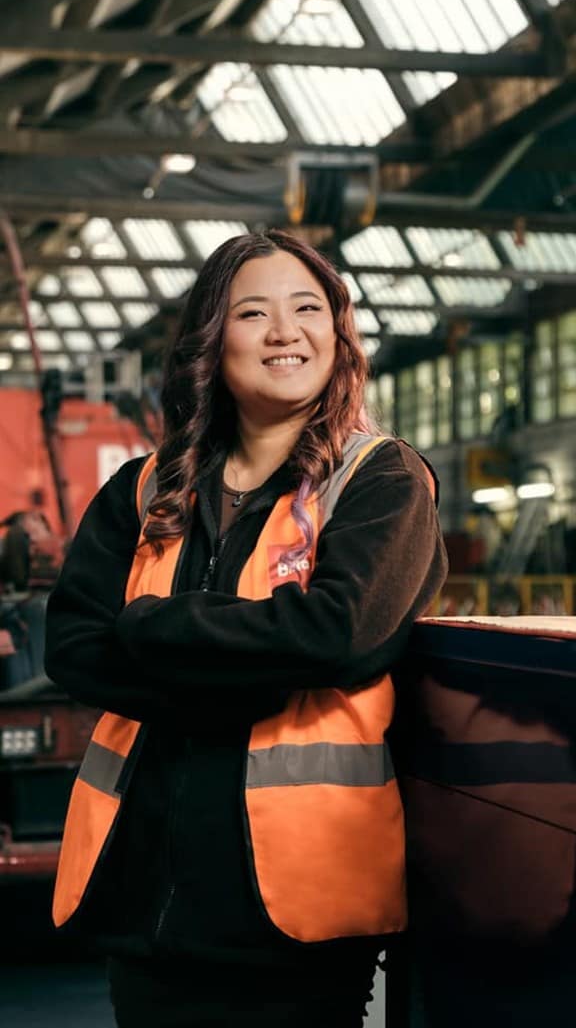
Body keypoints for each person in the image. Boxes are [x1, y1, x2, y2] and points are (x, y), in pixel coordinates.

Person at [45, 230, 447, 1028]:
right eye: (253, 312)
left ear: (337, 330)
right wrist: (248, 669)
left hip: (293, 916)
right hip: (146, 901)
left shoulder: (380, 481)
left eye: (307, 309)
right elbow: (73, 643)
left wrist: (154, 623)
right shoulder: (147, 488)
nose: (284, 332)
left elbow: (338, 633)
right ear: (211, 338)